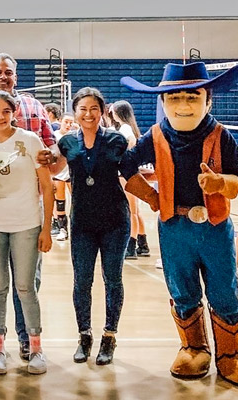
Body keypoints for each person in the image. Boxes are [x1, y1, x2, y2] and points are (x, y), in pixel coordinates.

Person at [120, 62, 238, 384]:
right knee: (182, 289)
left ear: (207, 100)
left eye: (192, 96)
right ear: (163, 102)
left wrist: (221, 184)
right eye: (174, 97)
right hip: (174, 228)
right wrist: (152, 197)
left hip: (215, 226)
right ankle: (193, 348)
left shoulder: (220, 135)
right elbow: (126, 166)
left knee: (225, 291)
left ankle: (230, 354)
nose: (183, 104)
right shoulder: (155, 136)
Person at [0, 52, 62, 361]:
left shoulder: (34, 112)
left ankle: (28, 339)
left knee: (27, 282)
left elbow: (53, 155)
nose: (3, 76)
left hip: (26, 215)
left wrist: (52, 159)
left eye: (9, 72)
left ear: (15, 77)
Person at [0, 91, 54, 375]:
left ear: (15, 113)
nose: (0, 116)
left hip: (27, 223)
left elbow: (48, 186)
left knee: (25, 287)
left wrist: (46, 228)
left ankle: (35, 348)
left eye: (5, 111)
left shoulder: (31, 141)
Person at [57, 87, 130, 366]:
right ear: (75, 112)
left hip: (114, 220)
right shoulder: (66, 142)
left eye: (94, 109)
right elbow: (54, 170)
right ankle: (84, 335)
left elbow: (132, 169)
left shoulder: (116, 140)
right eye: (82, 109)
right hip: (83, 222)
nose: (88, 114)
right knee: (82, 281)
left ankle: (109, 336)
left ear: (102, 112)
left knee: (112, 280)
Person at [110, 100, 150, 258]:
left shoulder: (125, 130)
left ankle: (130, 246)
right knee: (135, 210)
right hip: (128, 172)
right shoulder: (128, 127)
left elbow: (130, 146)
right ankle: (143, 244)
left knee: (130, 210)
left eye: (112, 111)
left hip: (124, 173)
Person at [52, 112, 75, 241]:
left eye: (71, 122)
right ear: (60, 121)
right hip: (58, 173)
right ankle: (62, 229)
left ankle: (76, 228)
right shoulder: (55, 136)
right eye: (66, 121)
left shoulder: (75, 136)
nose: (68, 125)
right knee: (60, 202)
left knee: (76, 201)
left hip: (72, 172)